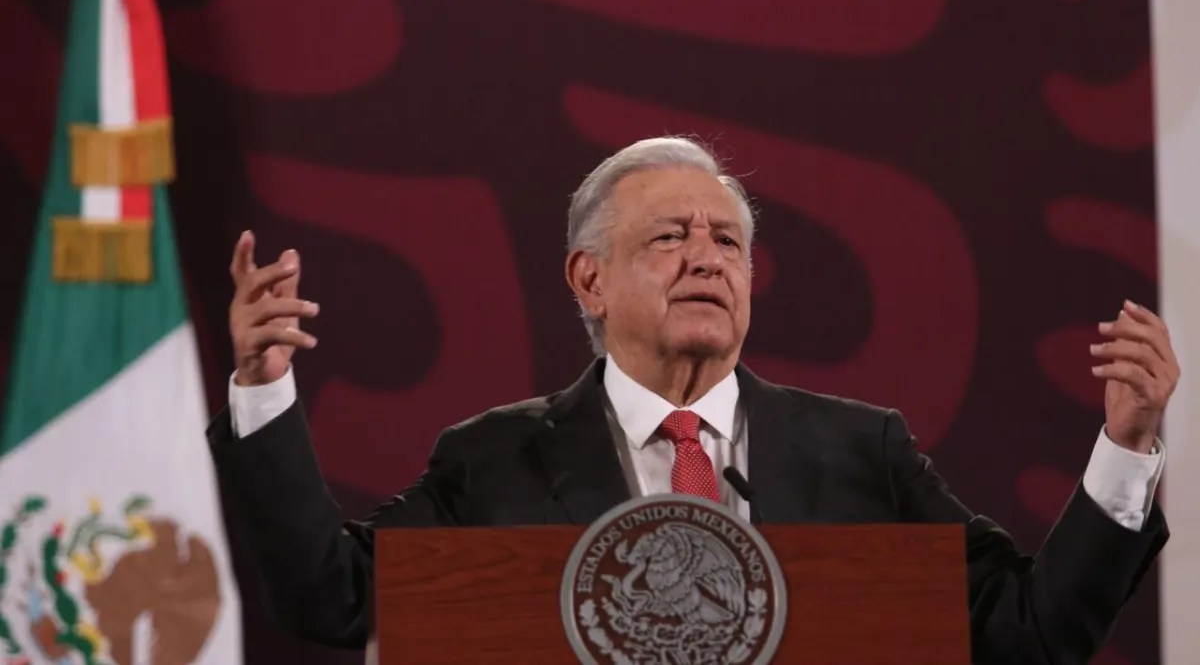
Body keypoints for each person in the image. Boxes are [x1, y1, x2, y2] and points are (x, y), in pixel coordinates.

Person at [208, 137, 1177, 664]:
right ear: (589, 280)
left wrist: (1125, 450)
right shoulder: (493, 462)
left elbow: (1029, 635)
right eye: (670, 237)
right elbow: (331, 599)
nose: (709, 258)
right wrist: (261, 390)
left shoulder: (860, 453)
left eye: (728, 242)